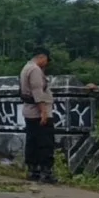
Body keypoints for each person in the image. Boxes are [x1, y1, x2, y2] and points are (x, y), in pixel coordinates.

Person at [19, 50, 56, 183]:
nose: (46, 64)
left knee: (32, 141)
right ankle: (46, 172)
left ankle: (33, 170)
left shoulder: (26, 67)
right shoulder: (35, 70)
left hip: (29, 111)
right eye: (46, 61)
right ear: (42, 57)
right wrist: (44, 112)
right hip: (38, 111)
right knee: (45, 143)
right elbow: (37, 92)